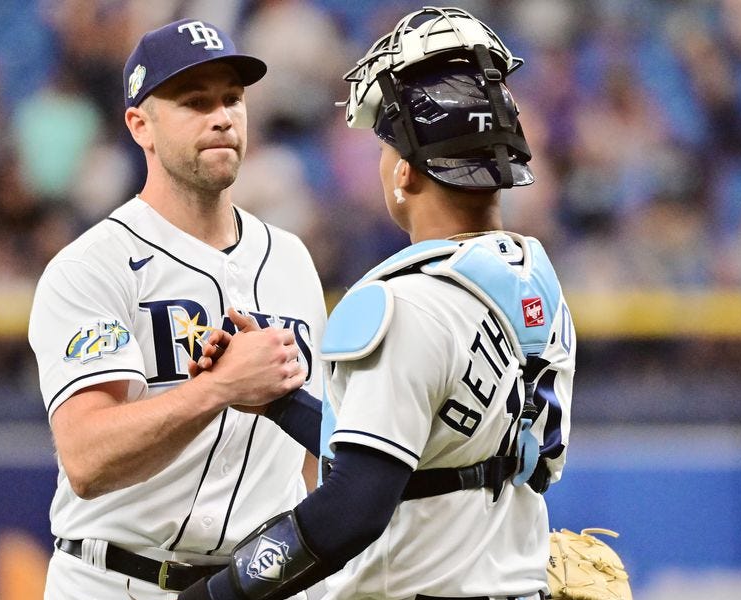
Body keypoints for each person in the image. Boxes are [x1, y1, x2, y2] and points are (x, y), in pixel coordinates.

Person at [178, 7, 576, 600]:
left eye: (386, 148)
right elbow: (419, 455)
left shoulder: (406, 303)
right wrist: (284, 403)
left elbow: (354, 508)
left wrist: (217, 594)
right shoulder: (533, 282)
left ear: (407, 175)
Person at [26, 17, 327, 600]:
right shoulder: (93, 266)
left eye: (232, 99)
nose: (222, 116)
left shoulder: (292, 259)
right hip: (118, 579)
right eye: (194, 101)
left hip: (260, 584)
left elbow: (310, 459)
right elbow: (86, 459)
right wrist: (216, 390)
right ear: (140, 125)